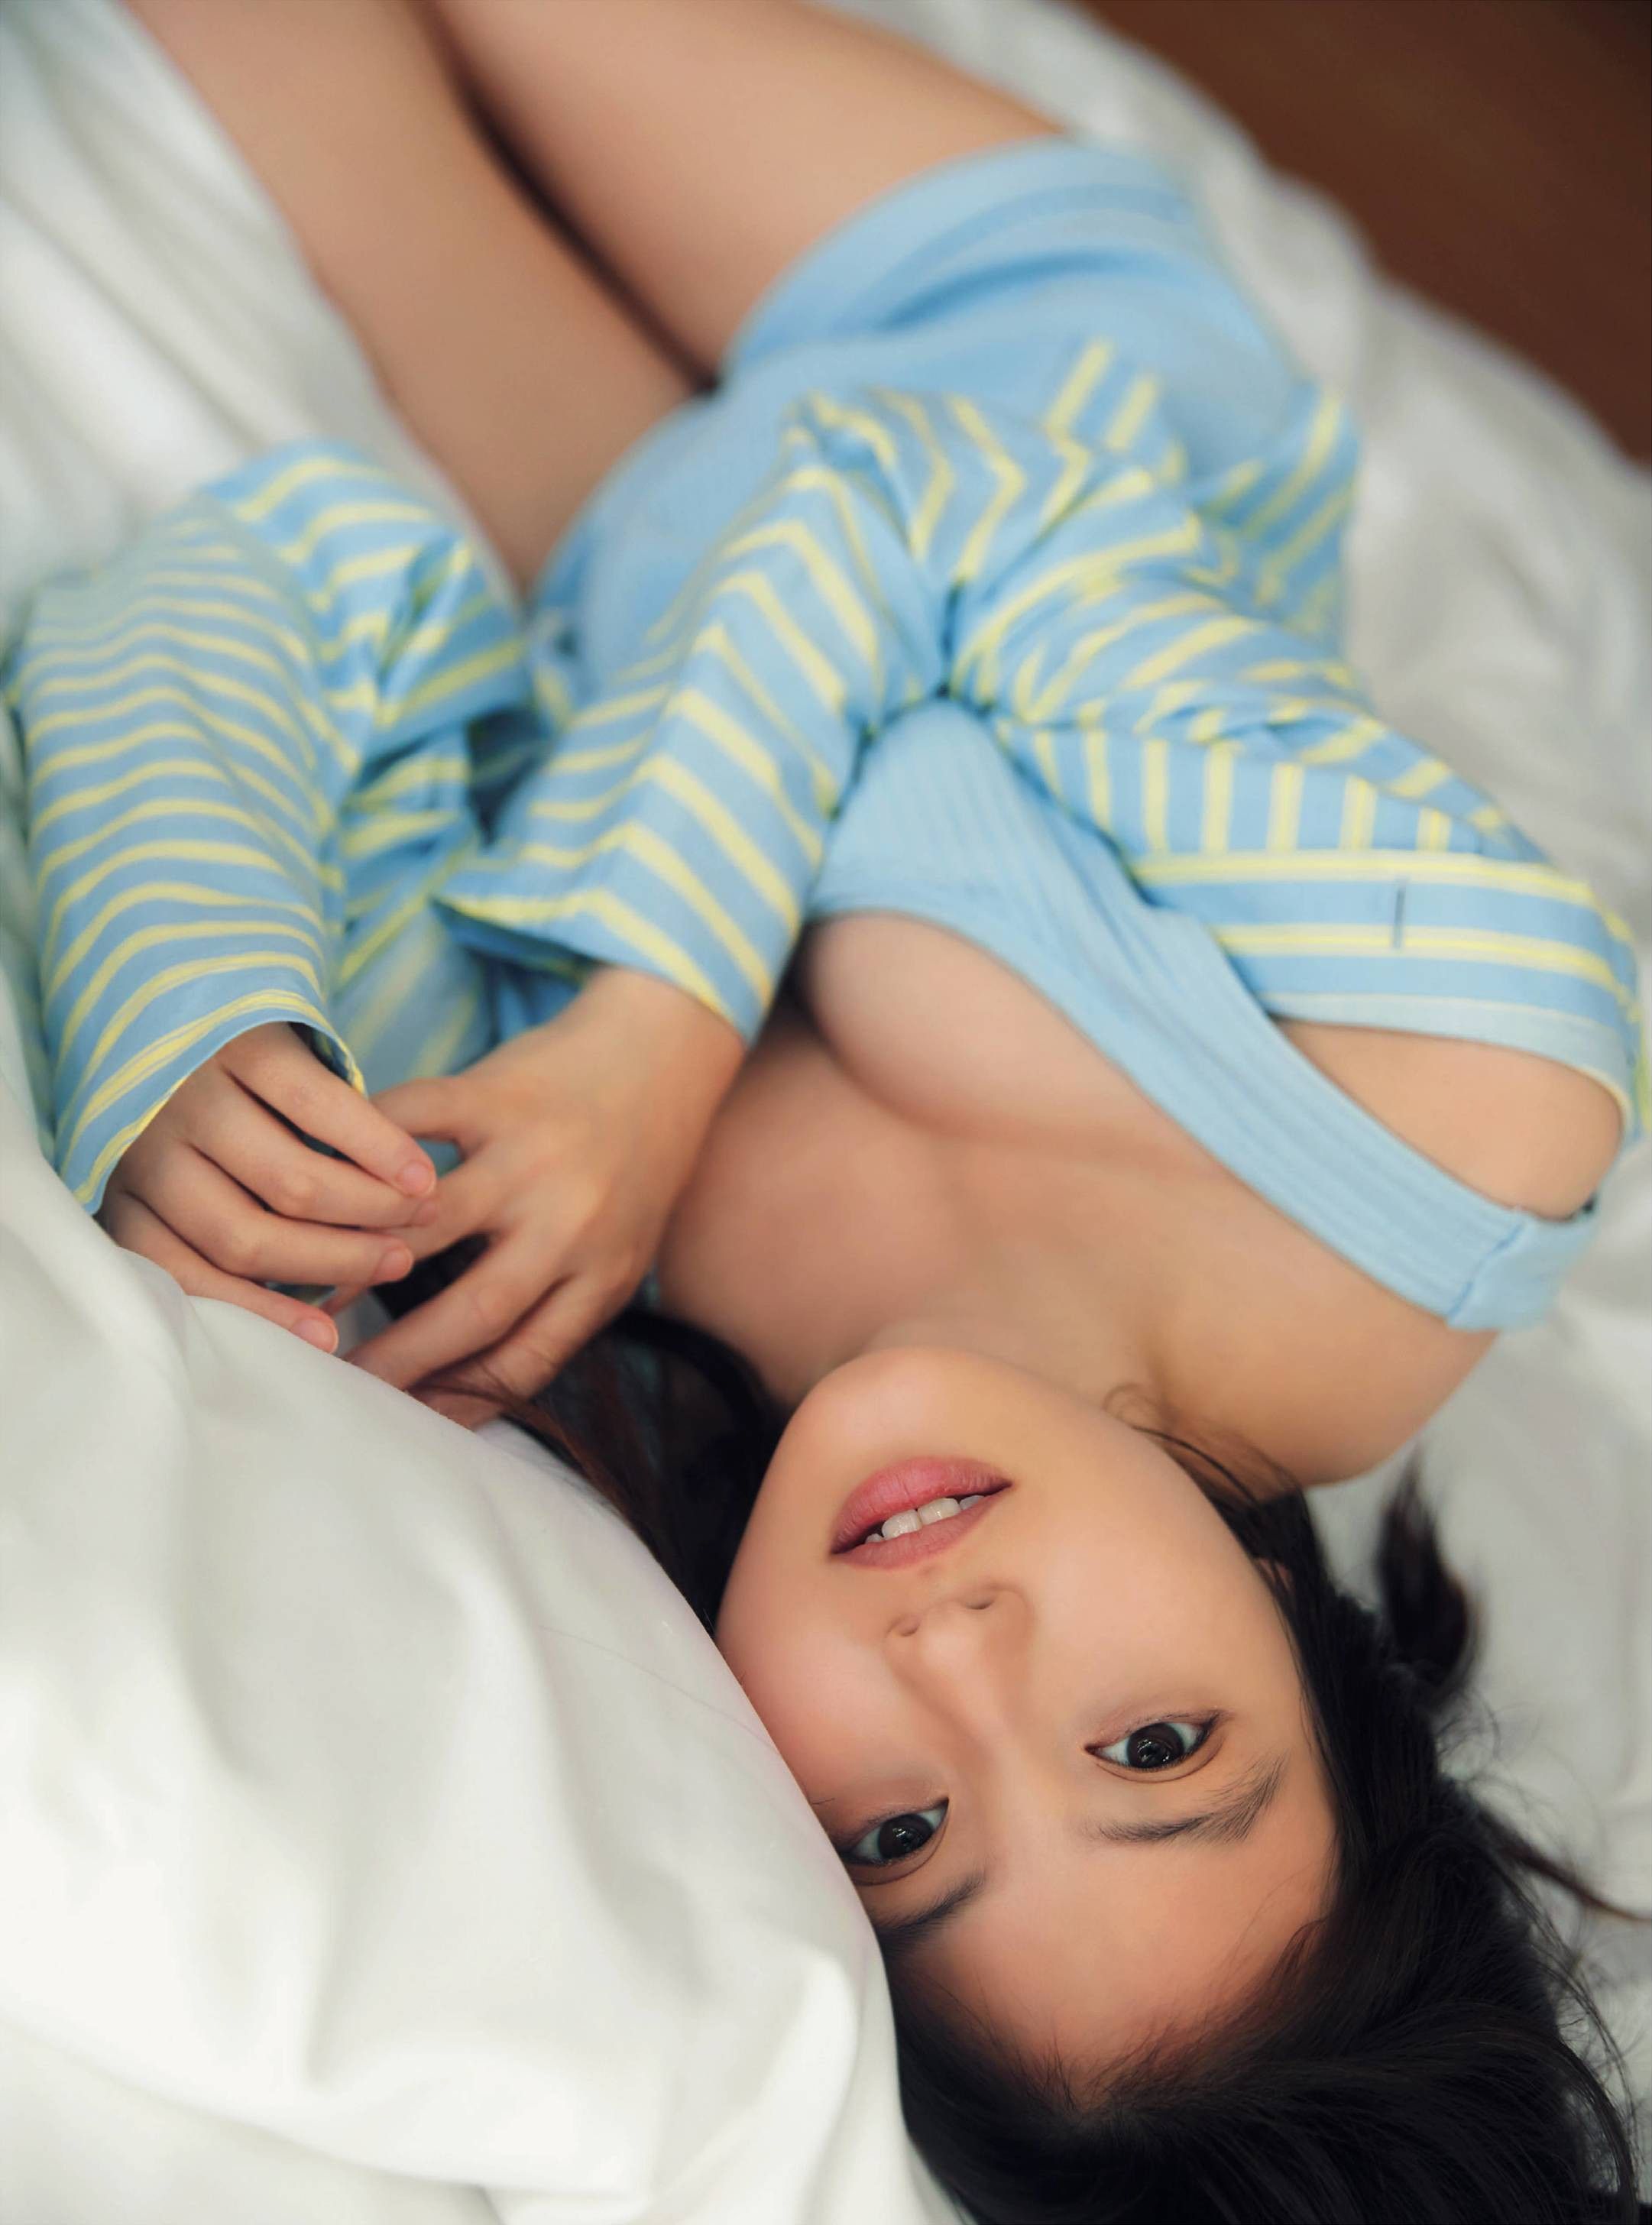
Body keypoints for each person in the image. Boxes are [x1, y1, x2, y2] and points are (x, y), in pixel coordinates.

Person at [6, 4, 1644, 2217]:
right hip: (996, 354)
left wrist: (202, 1024)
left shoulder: (562, 1340)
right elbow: (923, 487)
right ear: (1331, 1685)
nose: (956, 1661)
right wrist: (661, 1031)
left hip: (600, 550)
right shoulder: (1469, 1102)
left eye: (899, 1834)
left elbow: (244, 586)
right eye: (1155, 1745)